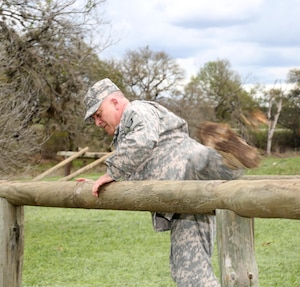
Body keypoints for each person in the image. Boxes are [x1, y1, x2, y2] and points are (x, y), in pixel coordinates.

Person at [78, 78, 260, 287]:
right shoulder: (126, 135)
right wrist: (103, 181)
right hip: (181, 206)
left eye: (98, 114)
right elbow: (136, 167)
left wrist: (112, 171)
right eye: (93, 119)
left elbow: (143, 139)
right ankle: (227, 159)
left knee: (200, 165)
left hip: (185, 174)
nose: (97, 122)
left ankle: (227, 157)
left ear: (115, 103)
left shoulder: (136, 110)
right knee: (188, 273)